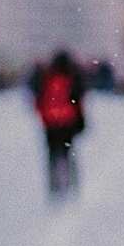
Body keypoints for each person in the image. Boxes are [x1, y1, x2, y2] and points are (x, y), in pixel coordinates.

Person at [34, 50, 86, 195]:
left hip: (50, 122)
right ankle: (72, 183)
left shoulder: (47, 78)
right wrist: (80, 120)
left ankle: (53, 185)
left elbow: (39, 99)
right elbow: (78, 101)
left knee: (52, 154)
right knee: (68, 153)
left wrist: (44, 116)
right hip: (67, 122)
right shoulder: (71, 78)